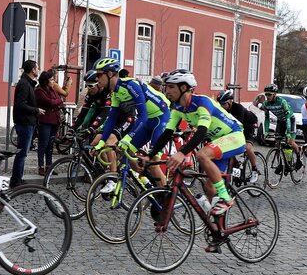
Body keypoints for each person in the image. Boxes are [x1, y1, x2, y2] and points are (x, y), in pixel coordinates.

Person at [146, 69, 246, 222]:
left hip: (234, 136)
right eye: (166, 87)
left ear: (184, 88)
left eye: (171, 87)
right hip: (217, 142)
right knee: (209, 187)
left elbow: (201, 132)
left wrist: (182, 153)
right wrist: (149, 155)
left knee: (201, 155)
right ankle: (217, 230)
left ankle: (226, 198)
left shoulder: (202, 102)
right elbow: (166, 134)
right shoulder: (178, 109)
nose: (167, 91)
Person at [91, 57, 169, 193]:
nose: (97, 79)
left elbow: (142, 115)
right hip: (149, 120)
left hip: (161, 118)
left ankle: (167, 198)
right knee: (126, 152)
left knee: (153, 163)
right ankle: (146, 183)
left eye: (99, 75)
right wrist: (101, 142)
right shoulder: (115, 92)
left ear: (110, 74)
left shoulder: (131, 85)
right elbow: (111, 120)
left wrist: (128, 138)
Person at [217, 89, 260, 184]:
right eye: (220, 104)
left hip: (250, 127)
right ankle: (237, 164)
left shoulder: (238, 108)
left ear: (230, 101)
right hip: (238, 129)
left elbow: (238, 126)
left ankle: (254, 170)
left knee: (248, 148)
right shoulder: (222, 110)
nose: (221, 106)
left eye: (223, 103)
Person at [11, 59, 42, 188]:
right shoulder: (24, 84)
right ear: (33, 70)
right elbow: (20, 104)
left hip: (27, 122)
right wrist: (36, 110)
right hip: (24, 122)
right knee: (22, 153)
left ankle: (18, 179)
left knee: (23, 152)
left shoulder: (28, 83)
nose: (38, 70)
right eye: (37, 68)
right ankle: (16, 181)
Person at [258, 83, 302, 172]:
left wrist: (288, 133)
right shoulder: (266, 104)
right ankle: (280, 164)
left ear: (274, 94)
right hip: (280, 121)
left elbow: (288, 118)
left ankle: (298, 158)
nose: (267, 96)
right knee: (277, 143)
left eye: (269, 94)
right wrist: (266, 131)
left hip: (290, 119)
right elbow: (266, 118)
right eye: (266, 94)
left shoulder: (282, 102)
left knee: (289, 141)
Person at [35, 70, 63, 176]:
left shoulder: (52, 90)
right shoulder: (39, 91)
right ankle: (41, 167)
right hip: (45, 121)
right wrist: (57, 102)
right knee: (43, 144)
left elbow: (58, 101)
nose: (53, 81)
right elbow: (51, 102)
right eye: (51, 79)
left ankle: (49, 166)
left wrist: (57, 102)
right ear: (46, 81)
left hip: (54, 121)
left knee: (50, 145)